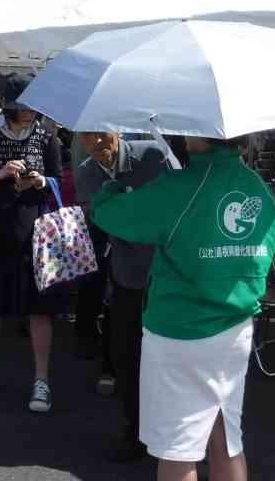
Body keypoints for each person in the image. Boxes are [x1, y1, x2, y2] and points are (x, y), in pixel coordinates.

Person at [92, 135, 275, 480]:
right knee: (226, 439)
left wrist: (111, 188)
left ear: (199, 135)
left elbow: (111, 215)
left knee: (178, 450)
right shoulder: (256, 186)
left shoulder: (177, 187)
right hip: (237, 327)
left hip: (180, 332)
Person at [0, 74, 63, 413]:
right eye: (23, 108)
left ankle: (43, 380)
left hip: (37, 234)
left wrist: (40, 180)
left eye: (34, 107)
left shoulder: (47, 136)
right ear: (9, 106)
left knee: (39, 308)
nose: (30, 113)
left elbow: (59, 180)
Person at [75, 132, 167, 463]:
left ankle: (167, 430)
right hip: (126, 275)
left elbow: (174, 208)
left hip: (168, 275)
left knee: (167, 358)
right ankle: (135, 429)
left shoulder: (155, 156)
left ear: (118, 130)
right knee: (125, 355)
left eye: (103, 133)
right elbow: (100, 220)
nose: (97, 142)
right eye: (87, 136)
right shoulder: (87, 173)